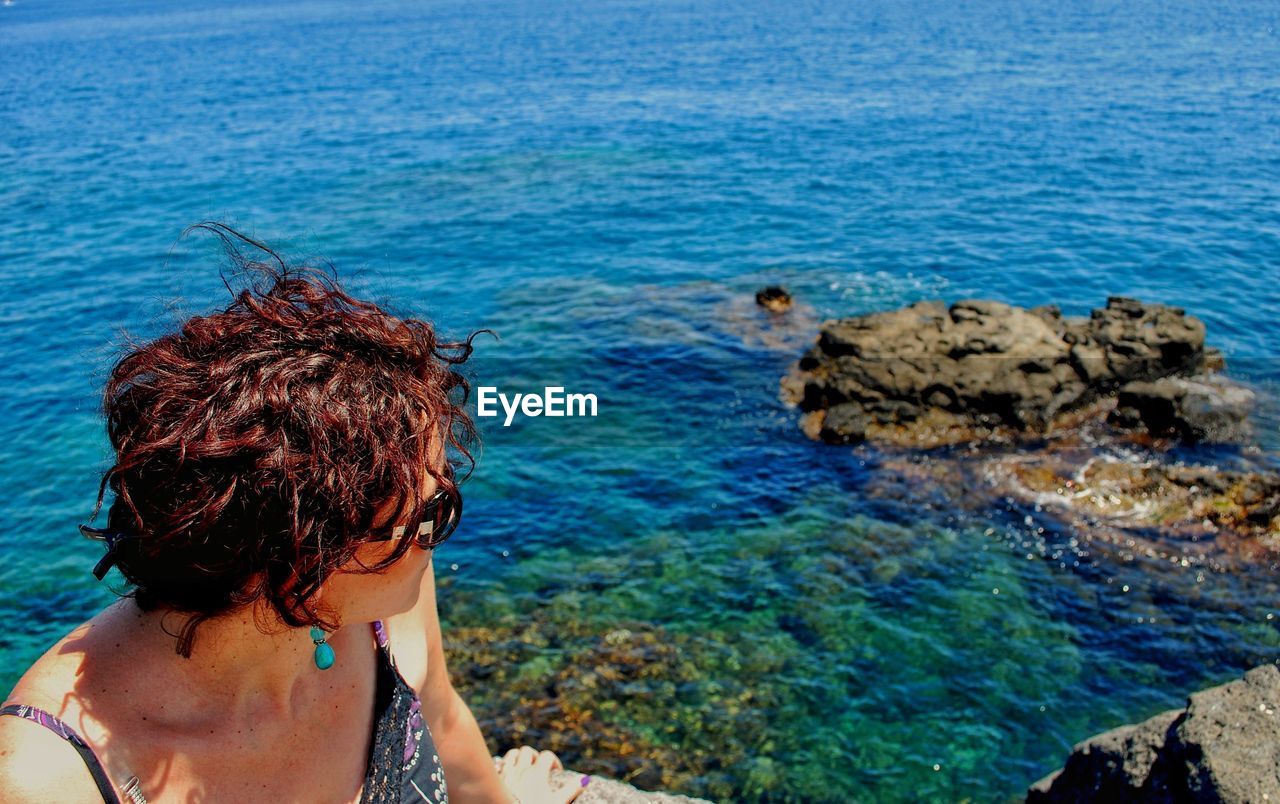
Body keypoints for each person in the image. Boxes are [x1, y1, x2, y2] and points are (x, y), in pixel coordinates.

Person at [0, 224, 587, 804]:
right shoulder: (53, 778)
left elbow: (439, 715)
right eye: (431, 515)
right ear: (302, 557)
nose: (438, 535)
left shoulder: (378, 605)